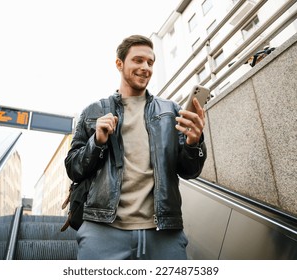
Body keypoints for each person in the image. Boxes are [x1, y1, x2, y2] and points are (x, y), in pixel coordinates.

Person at [64, 34, 207, 260]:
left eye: (150, 62)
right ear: (119, 64)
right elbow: (73, 168)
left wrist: (193, 142)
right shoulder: (93, 111)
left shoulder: (171, 112)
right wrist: (97, 142)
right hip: (102, 230)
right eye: (138, 60)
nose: (146, 68)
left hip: (164, 233)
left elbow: (190, 170)